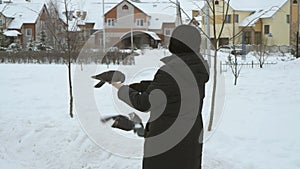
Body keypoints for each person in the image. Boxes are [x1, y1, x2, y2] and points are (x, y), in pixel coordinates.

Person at [111, 25, 209, 169]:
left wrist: (122, 90)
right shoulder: (197, 68)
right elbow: (175, 90)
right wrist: (139, 86)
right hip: (191, 139)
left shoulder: (171, 71)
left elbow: (144, 103)